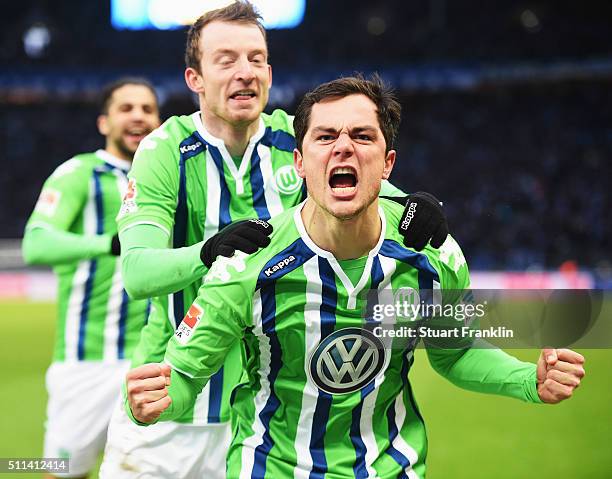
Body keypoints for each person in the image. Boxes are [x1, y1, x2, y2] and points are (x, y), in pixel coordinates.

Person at [126, 75, 586, 478]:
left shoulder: (432, 256)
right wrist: (157, 401)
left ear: (387, 164)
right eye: (325, 137)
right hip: (272, 467)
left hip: (390, 466)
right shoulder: (247, 265)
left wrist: (528, 381)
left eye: (362, 136)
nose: (343, 146)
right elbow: (186, 376)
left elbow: (455, 353)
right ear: (299, 164)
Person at [101, 2, 448, 478]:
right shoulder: (164, 150)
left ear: (269, 71)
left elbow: (371, 187)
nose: (245, 72)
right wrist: (208, 252)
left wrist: (418, 204)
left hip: (265, 415)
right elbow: (138, 274)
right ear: (194, 78)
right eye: (226, 60)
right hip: (175, 402)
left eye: (256, 59)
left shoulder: (296, 139)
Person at [22, 77, 161, 479]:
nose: (138, 116)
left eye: (148, 109)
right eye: (126, 108)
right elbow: (36, 243)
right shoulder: (80, 173)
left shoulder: (172, 178)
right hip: (88, 362)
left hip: (152, 361)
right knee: (64, 470)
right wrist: (108, 243)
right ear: (104, 122)